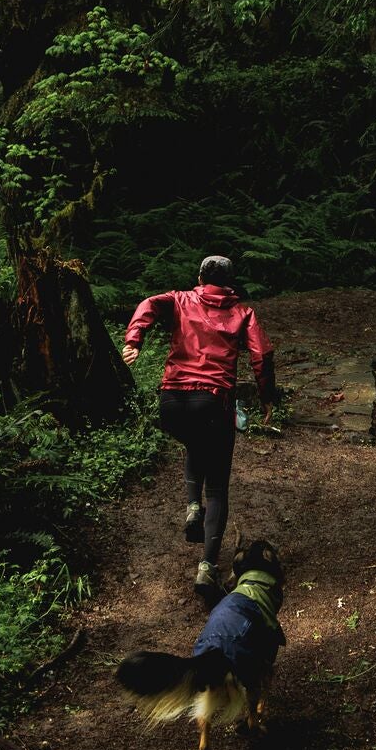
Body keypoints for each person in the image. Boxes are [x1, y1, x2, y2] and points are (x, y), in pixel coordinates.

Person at [121, 254, 277, 595]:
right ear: (230, 282)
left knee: (194, 443)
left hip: (172, 402)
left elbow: (148, 304)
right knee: (218, 486)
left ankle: (193, 506)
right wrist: (267, 397)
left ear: (200, 277)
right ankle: (207, 567)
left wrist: (134, 339)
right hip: (213, 402)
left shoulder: (179, 299)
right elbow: (261, 355)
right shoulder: (242, 313)